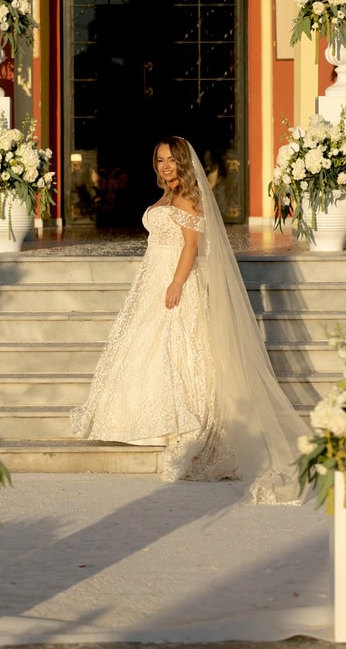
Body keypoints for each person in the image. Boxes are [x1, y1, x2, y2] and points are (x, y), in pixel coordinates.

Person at [71, 136, 308, 503]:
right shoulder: (167, 195)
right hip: (154, 278)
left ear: (183, 162)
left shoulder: (186, 197)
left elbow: (193, 246)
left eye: (171, 160)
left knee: (175, 348)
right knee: (146, 347)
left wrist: (177, 283)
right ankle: (143, 419)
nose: (165, 166)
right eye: (160, 160)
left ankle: (176, 422)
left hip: (175, 280)